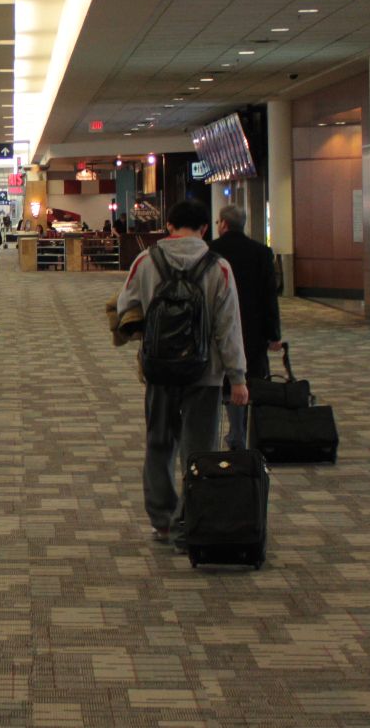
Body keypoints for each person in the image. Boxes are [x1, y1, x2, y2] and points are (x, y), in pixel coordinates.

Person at [112, 198, 248, 548]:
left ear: (169, 226)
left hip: (159, 371)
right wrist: (238, 377)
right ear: (205, 228)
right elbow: (228, 327)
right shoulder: (219, 267)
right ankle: (192, 519)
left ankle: (162, 521)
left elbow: (126, 306)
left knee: (159, 444)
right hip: (206, 373)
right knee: (199, 450)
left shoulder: (146, 260)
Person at [210, 204, 282, 449]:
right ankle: (242, 431)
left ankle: (229, 432)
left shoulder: (211, 251)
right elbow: (269, 296)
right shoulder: (262, 252)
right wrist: (273, 334)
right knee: (250, 378)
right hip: (253, 327)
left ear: (223, 224)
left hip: (218, 325)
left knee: (221, 380)